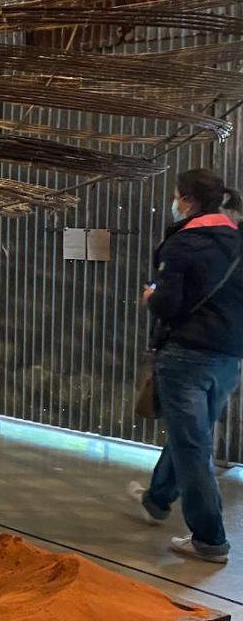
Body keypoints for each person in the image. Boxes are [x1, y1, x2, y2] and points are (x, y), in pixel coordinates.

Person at [129, 168, 243, 563]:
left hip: (185, 356)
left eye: (177, 196)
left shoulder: (183, 244)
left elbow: (168, 304)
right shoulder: (237, 240)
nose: (175, 204)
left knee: (193, 444)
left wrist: (151, 297)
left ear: (188, 202)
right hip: (228, 356)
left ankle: (209, 539)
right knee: (191, 434)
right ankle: (157, 499)